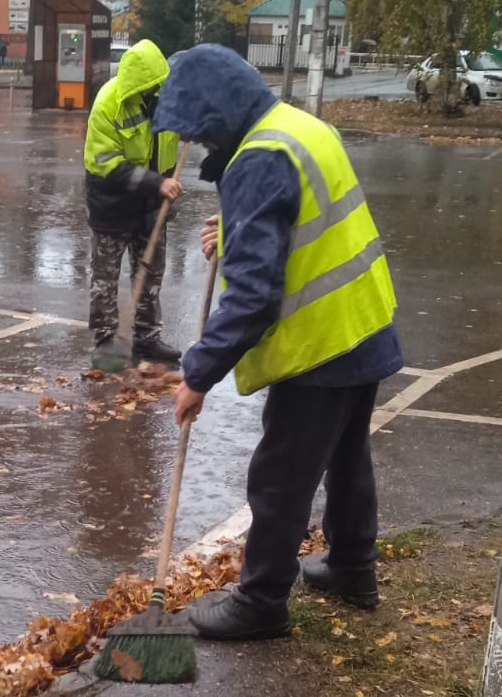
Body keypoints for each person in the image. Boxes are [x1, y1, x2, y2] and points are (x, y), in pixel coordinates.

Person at [154, 44, 402, 640]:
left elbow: (256, 295)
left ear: (217, 112)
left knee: (279, 477)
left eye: (203, 133)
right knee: (346, 459)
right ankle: (351, 568)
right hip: (363, 323)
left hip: (319, 344)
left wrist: (198, 373)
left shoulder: (259, 158)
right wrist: (235, 233)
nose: (205, 146)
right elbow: (292, 227)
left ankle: (261, 600)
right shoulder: (298, 126)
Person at [84, 38, 183, 366]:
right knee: (105, 277)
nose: (151, 92)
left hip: (152, 205)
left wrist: (195, 126)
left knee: (151, 273)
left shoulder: (165, 99)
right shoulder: (108, 104)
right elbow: (107, 163)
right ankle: (104, 342)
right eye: (147, 87)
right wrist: (157, 183)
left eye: (156, 86)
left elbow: (170, 142)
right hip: (113, 203)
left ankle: (146, 339)